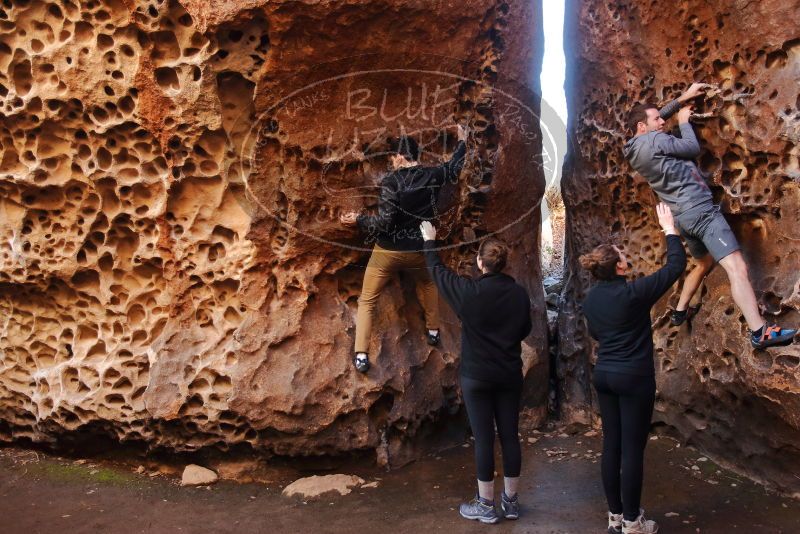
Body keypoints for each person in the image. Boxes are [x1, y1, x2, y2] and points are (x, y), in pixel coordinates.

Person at [623, 83, 796, 349]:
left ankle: (680, 309)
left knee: (703, 263)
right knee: (737, 268)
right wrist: (682, 121)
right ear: (641, 127)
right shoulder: (656, 138)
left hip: (683, 218)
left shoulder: (633, 150)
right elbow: (691, 148)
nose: (662, 121)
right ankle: (759, 331)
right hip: (702, 212)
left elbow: (655, 122)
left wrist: (682, 99)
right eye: (657, 119)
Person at [581, 203, 686, 534]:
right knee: (632, 449)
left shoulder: (591, 300)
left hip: (605, 375)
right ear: (620, 268)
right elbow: (675, 267)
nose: (627, 257)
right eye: (623, 256)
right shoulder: (634, 294)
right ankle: (633, 523)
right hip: (634, 377)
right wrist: (670, 229)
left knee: (611, 445)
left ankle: (615, 517)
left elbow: (596, 333)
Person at [420, 221, 532, 524]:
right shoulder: (519, 295)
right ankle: (510, 502)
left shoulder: (469, 292)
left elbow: (439, 274)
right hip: (508, 374)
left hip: (477, 376)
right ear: (503, 263)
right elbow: (525, 329)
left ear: (480, 263)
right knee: (510, 435)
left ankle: (485, 506)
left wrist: (429, 241)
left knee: (484, 439)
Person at [340, 125, 468, 372]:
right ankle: (432, 331)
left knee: (367, 300)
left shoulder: (391, 182)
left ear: (400, 156)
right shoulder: (433, 175)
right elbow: (455, 167)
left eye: (392, 157)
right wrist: (462, 140)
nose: (391, 161)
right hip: (420, 251)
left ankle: (361, 357)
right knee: (429, 283)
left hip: (387, 252)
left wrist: (357, 219)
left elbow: (384, 223)